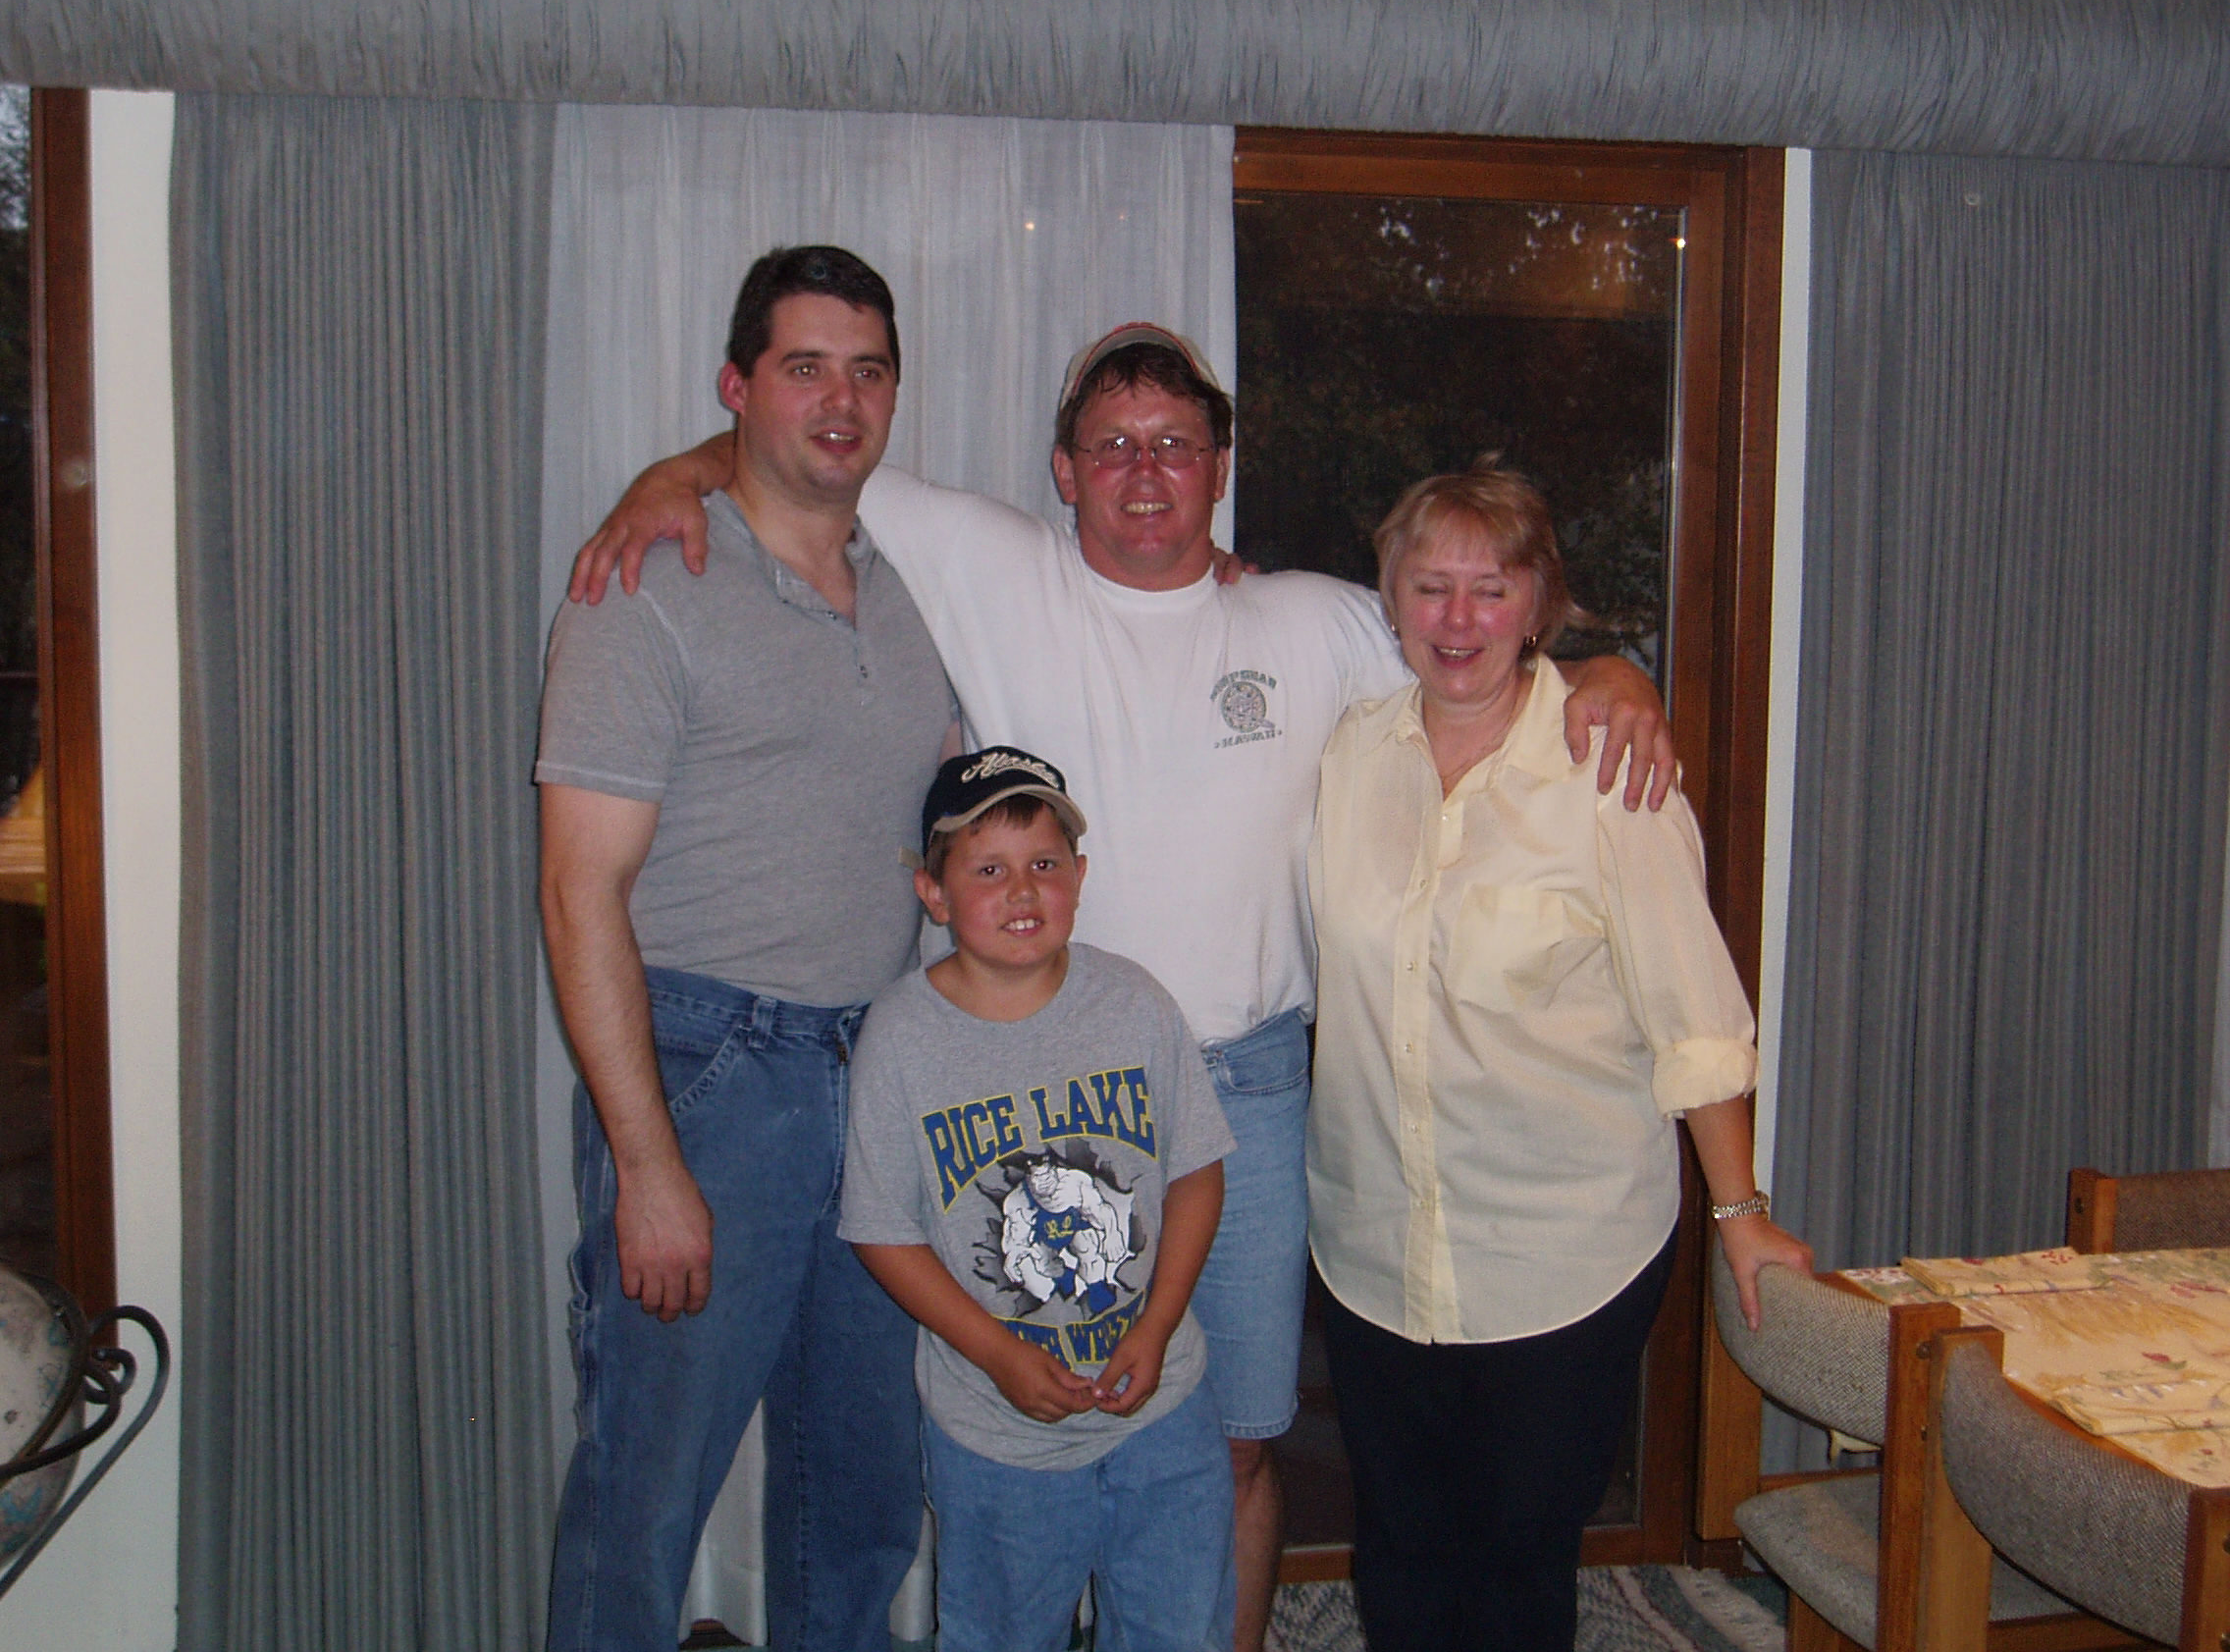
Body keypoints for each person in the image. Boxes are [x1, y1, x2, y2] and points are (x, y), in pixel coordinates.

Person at [574, 324, 1676, 1651]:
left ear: (1220, 467)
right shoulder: (989, 561)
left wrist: (1607, 674)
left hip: (1246, 1089)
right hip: (1030, 1090)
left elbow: (1480, 658)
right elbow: (806, 448)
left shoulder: (1312, 619)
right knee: (1023, 1443)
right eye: (1112, 446)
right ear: (1063, 470)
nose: (1144, 471)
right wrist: (666, 480)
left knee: (1229, 1448)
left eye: (1174, 444)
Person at [1305, 457, 1813, 1652]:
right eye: (1430, 586)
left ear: (1541, 604)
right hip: (1375, 1242)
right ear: (1389, 599)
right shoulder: (1346, 755)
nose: (1458, 618)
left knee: (1515, 1559)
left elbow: (1694, 1014)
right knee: (1400, 1550)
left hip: (1560, 1252)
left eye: (1492, 589)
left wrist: (1739, 1211)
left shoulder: (1610, 773)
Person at [534, 246, 954, 1651]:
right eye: (804, 367)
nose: (841, 400)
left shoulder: (917, 581)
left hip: (879, 1070)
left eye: (868, 370)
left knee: (862, 1489)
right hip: (713, 1079)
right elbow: (578, 895)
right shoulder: (644, 585)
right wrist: (649, 1167)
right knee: (646, 1496)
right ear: (737, 387)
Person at [842, 746, 1239, 1651]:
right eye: (988, 870)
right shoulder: (899, 1039)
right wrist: (999, 1356)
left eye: (1045, 864)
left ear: (1080, 878)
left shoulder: (1134, 1002)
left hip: (1163, 1412)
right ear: (934, 894)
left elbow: (1196, 1170)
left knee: (1181, 1627)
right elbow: (882, 1232)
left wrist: (1157, 1326)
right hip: (998, 1439)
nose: (1023, 891)